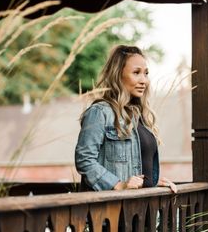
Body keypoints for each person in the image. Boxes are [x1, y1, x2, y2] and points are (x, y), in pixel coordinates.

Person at [75, 45, 177, 193]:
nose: (144, 80)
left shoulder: (140, 116)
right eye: (136, 73)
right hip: (114, 211)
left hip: (143, 210)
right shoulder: (100, 112)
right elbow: (84, 160)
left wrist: (153, 181)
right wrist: (117, 184)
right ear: (118, 75)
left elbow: (137, 166)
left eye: (146, 73)